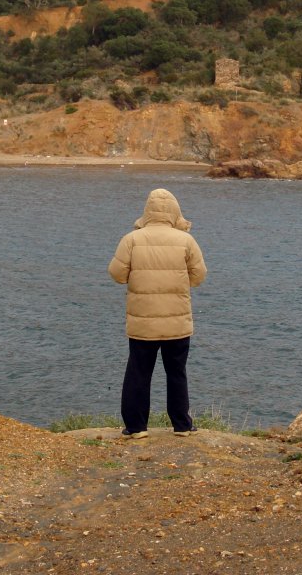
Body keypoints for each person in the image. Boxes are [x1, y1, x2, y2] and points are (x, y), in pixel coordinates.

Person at [108, 188, 207, 439]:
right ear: (174, 211)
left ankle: (136, 427)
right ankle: (182, 425)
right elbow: (199, 276)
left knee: (139, 373)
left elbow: (117, 275)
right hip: (177, 320)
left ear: (147, 211)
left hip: (143, 322)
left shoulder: (131, 239)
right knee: (177, 373)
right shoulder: (186, 240)